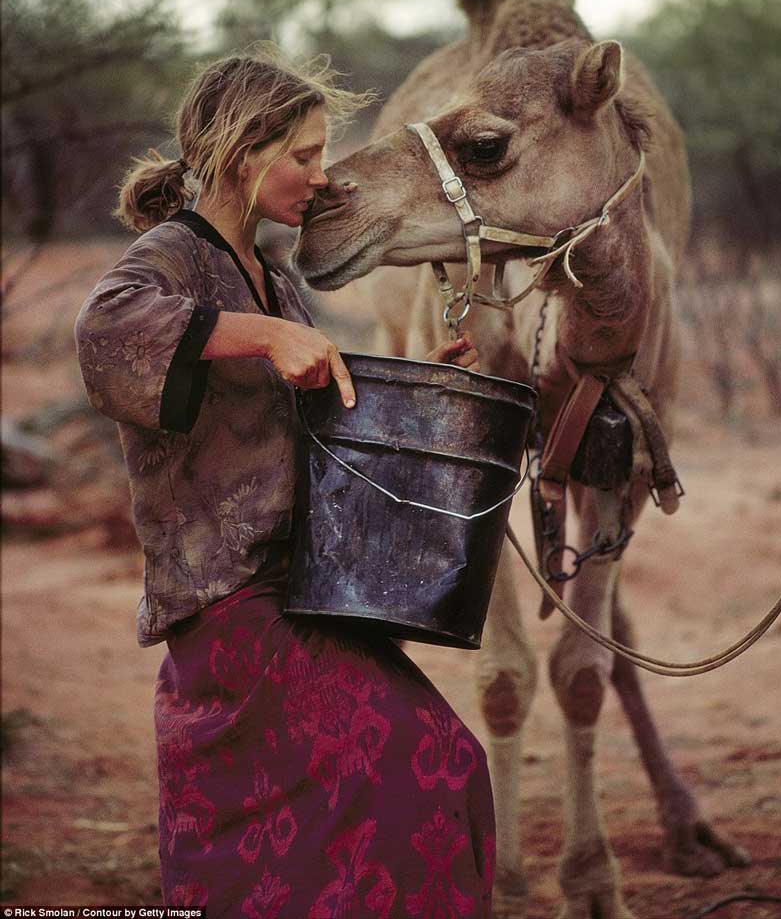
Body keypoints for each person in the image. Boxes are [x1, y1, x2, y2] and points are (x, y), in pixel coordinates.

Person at [74, 45, 495, 916]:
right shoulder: (172, 257)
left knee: (442, 770)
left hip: (301, 591)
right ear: (240, 151)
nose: (321, 174)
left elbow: (316, 421)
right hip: (231, 607)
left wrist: (422, 375)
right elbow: (104, 331)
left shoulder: (276, 277)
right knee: (424, 763)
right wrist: (262, 336)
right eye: (303, 154)